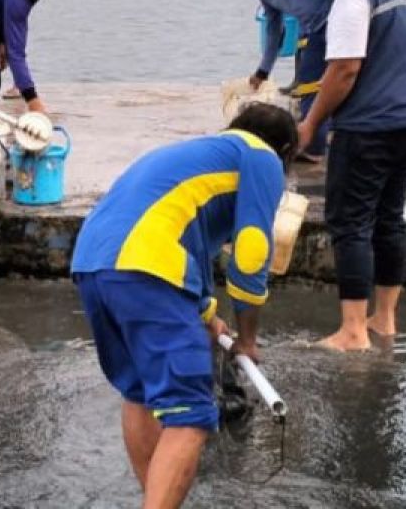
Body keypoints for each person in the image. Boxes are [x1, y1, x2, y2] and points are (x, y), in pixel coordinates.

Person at [70, 102, 297, 509]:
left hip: (92, 261)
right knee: (191, 414)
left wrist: (207, 314)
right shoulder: (263, 157)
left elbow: (180, 232)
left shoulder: (196, 155)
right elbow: (251, 252)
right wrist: (247, 339)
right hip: (146, 266)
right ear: (284, 151)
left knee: (140, 392)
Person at [297, 0, 406, 352]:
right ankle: (385, 319)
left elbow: (343, 70)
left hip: (371, 123)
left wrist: (312, 122)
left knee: (350, 221)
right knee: (389, 217)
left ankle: (353, 332)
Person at [212, 0, 336, 161]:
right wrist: (263, 71)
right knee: (314, 84)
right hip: (315, 29)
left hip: (335, 18)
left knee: (310, 86)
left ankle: (314, 147)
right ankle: (322, 139)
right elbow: (274, 29)